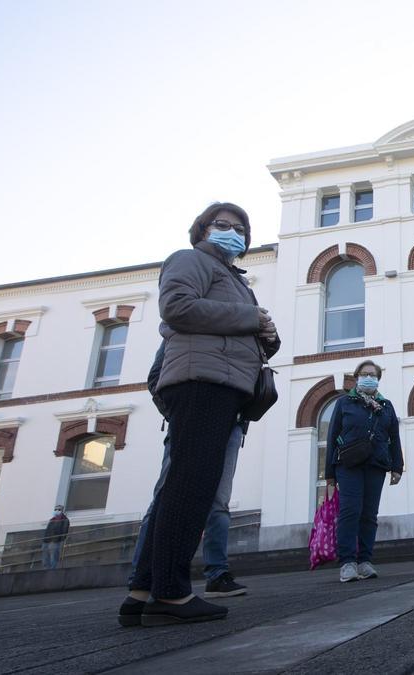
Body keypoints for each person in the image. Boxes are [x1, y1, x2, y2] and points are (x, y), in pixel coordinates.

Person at [121, 202, 280, 628]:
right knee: (190, 486)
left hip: (222, 384)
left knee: (184, 483)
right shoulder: (189, 260)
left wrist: (266, 332)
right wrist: (250, 317)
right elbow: (177, 308)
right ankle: (170, 594)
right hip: (201, 383)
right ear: (201, 230)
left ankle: (142, 590)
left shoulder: (233, 280)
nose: (232, 232)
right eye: (222, 225)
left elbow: (239, 335)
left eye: (240, 228)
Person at [126, 343, 248, 600]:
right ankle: (142, 576)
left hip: (230, 423)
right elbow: (156, 377)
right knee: (165, 495)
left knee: (219, 500)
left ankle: (217, 573)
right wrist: (177, 414)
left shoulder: (237, 332)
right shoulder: (188, 326)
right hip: (189, 418)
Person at [324, 360, 404, 583]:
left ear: (378, 379)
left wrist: (397, 467)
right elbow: (332, 436)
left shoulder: (386, 406)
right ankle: (347, 562)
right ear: (356, 377)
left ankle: (365, 561)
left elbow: (394, 438)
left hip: (376, 464)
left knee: (369, 514)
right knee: (350, 511)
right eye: (364, 373)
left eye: (373, 374)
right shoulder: (344, 403)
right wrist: (329, 474)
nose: (369, 377)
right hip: (348, 465)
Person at [41, 505, 69, 569]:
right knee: (45, 555)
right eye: (56, 509)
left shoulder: (65, 520)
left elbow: (64, 531)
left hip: (56, 541)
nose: (57, 511)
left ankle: (53, 569)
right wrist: (44, 540)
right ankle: (46, 568)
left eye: (59, 510)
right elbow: (47, 530)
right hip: (47, 540)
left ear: (62, 511)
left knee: (54, 555)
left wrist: (61, 541)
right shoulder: (52, 520)